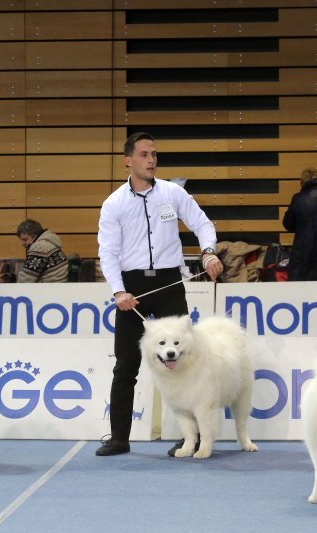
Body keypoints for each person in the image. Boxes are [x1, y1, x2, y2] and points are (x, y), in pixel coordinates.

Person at [95, 132, 223, 456]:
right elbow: (107, 253)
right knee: (126, 365)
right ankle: (119, 438)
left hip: (169, 283)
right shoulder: (114, 204)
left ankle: (189, 437)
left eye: (154, 154)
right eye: (144, 154)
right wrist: (118, 291)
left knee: (186, 364)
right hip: (131, 290)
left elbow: (203, 224)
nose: (151, 160)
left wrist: (208, 252)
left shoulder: (173, 193)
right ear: (128, 161)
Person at [282, 167, 317, 281]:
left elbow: (287, 224)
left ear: (302, 182)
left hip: (302, 246)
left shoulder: (297, 198)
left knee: (300, 284)